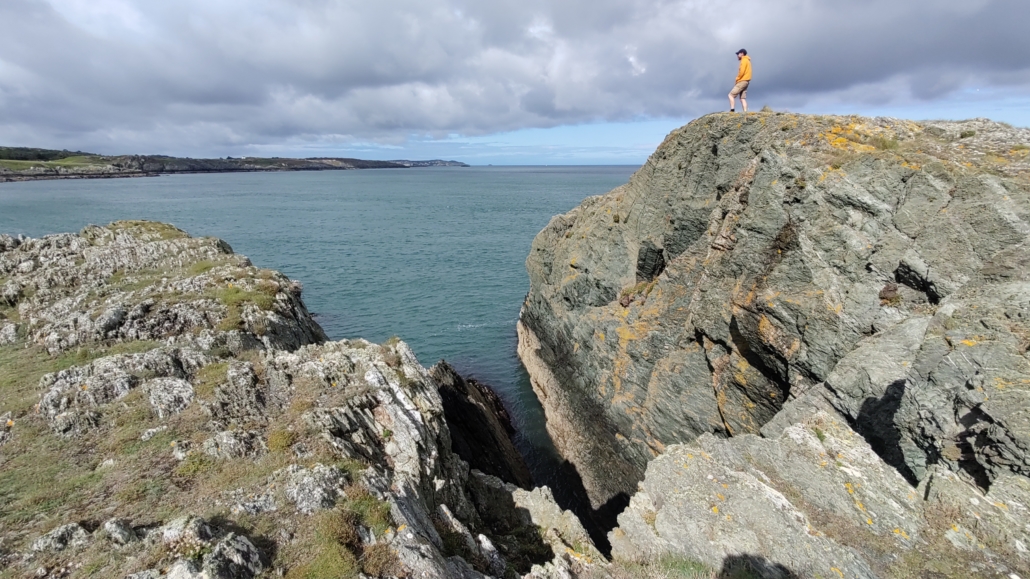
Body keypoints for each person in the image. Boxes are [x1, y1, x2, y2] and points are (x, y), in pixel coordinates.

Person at [728, 49, 751, 113]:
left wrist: (737, 78)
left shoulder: (744, 60)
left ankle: (732, 110)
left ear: (742, 53)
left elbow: (742, 71)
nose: (737, 55)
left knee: (730, 95)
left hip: (742, 81)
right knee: (742, 98)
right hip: (746, 81)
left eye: (738, 54)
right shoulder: (748, 61)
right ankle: (745, 112)